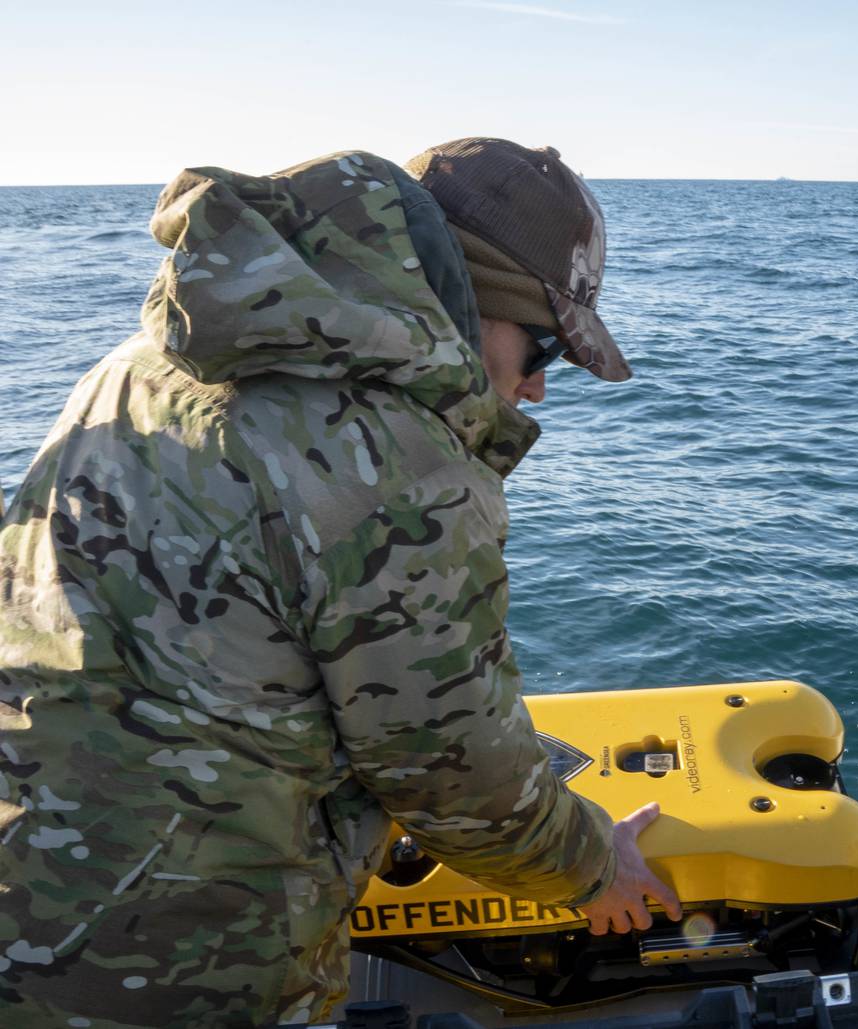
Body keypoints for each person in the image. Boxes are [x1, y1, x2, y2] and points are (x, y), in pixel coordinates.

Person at [0, 138, 681, 1028]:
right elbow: (451, 776)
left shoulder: (145, 363)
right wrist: (595, 863)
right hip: (181, 966)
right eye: (545, 343)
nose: (541, 388)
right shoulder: (393, 460)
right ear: (469, 300)